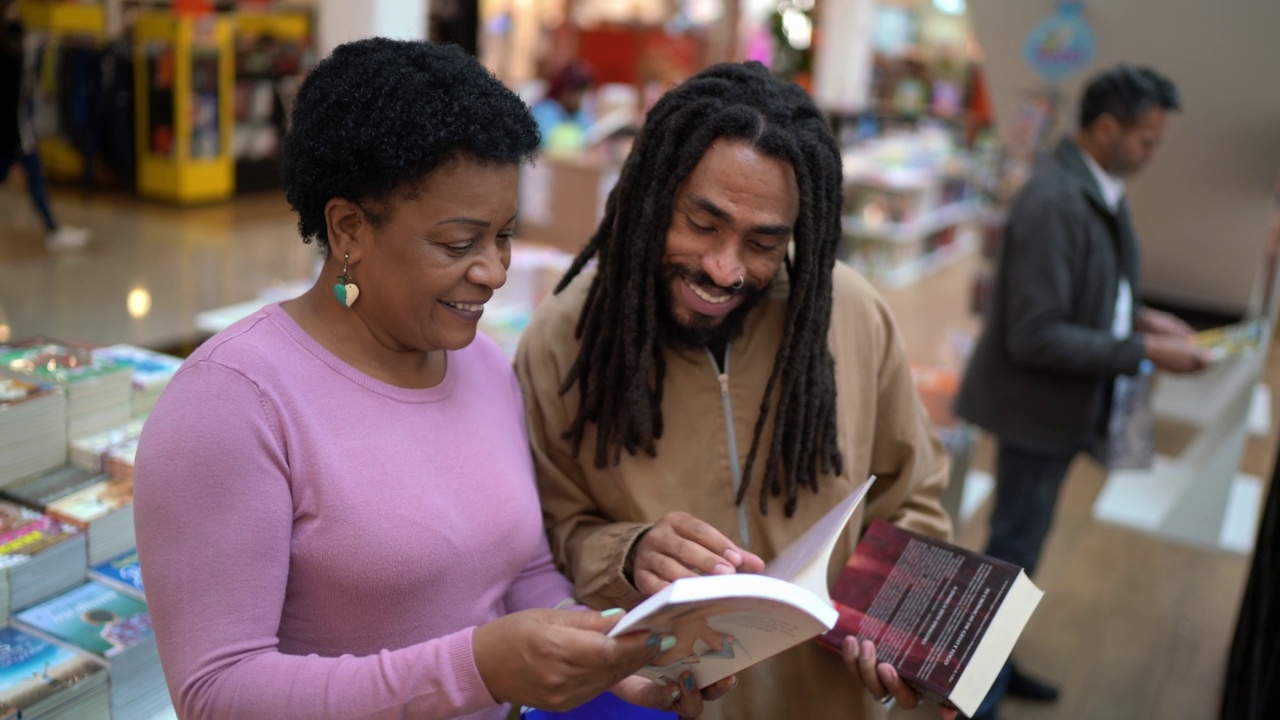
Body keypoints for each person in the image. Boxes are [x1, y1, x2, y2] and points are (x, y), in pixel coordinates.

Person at [133, 38, 734, 720]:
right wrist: (477, 668)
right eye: (459, 244)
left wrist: (617, 660)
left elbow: (524, 573)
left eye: (504, 235)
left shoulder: (479, 365)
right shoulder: (232, 403)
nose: (494, 271)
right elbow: (219, 696)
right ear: (349, 228)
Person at [515, 60, 956, 720]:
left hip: (828, 702)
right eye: (702, 223)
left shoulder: (852, 316)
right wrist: (629, 553)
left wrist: (898, 618)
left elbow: (913, 493)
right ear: (652, 194)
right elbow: (550, 535)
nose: (724, 268)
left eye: (762, 242)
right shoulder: (564, 341)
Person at [953, 64, 1213, 720]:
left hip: (1058, 410)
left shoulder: (1097, 186)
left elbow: (1091, 291)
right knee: (1011, 553)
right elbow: (1036, 335)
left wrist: (1145, 318)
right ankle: (975, 693)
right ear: (1105, 129)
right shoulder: (1057, 199)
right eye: (1147, 141)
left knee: (1022, 550)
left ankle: (997, 670)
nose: (1154, 154)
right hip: (1034, 411)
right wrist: (1145, 351)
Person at [0, 3, 88, 250]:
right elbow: (14, 100)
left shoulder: (19, 51)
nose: (17, 17)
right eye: (12, 13)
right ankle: (53, 229)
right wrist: (21, 133)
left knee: (35, 177)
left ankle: (53, 229)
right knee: (34, 176)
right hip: (15, 133)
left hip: (17, 132)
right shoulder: (10, 57)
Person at [530, 61, 594, 151]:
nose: (576, 96)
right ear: (561, 89)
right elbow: (545, 146)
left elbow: (590, 138)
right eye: (573, 90)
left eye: (581, 91)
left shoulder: (580, 113)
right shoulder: (544, 111)